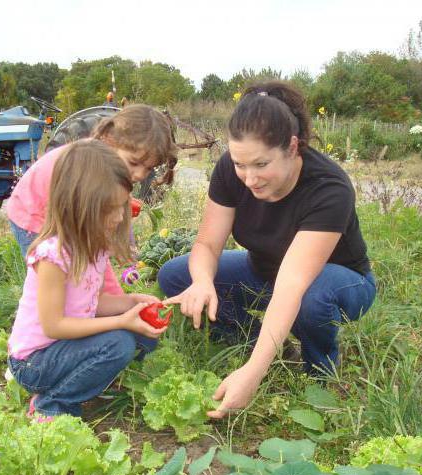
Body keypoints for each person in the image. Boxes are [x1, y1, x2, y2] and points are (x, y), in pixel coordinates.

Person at [158, 81, 376, 419]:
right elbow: (207, 244)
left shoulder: (328, 188)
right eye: (240, 165)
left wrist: (254, 376)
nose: (249, 178)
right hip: (265, 273)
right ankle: (265, 346)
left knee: (311, 298)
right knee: (176, 274)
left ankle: (320, 372)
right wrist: (202, 281)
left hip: (339, 283)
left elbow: (292, 284)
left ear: (291, 147)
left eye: (261, 165)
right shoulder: (233, 171)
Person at [7, 140, 168, 421]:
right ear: (80, 205)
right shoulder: (53, 255)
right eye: (112, 209)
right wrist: (120, 321)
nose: (119, 217)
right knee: (118, 343)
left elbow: (92, 303)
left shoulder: (94, 244)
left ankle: (89, 379)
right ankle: (52, 402)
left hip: (64, 348)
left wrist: (131, 302)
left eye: (123, 207)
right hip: (35, 362)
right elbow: (54, 325)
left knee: (143, 335)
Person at [7, 104, 178, 295]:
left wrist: (117, 299)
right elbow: (96, 247)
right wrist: (116, 299)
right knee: (57, 279)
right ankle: (45, 319)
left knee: (81, 282)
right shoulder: (89, 169)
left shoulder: (111, 167)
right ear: (110, 140)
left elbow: (98, 255)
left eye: (148, 168)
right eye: (134, 163)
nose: (139, 174)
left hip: (58, 207)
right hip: (32, 211)